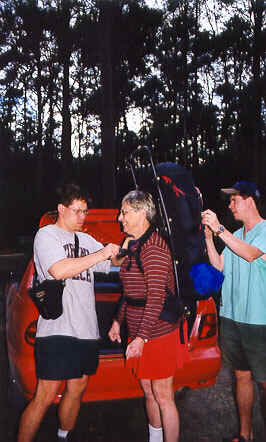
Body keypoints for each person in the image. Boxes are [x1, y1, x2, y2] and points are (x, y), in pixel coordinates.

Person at [17, 183, 120, 442]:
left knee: (78, 388)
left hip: (87, 330)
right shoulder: (46, 235)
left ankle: (64, 437)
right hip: (57, 329)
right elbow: (59, 270)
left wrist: (126, 248)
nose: (83, 217)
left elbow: (113, 263)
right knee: (46, 395)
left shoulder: (86, 240)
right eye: (77, 211)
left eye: (85, 211)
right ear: (62, 209)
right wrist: (101, 254)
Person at [109, 190, 183, 442]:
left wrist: (141, 338)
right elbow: (131, 292)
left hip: (159, 333)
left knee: (163, 395)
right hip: (139, 329)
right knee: (148, 391)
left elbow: (155, 298)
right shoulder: (134, 244)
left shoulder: (154, 248)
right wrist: (119, 321)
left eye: (125, 212)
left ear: (142, 213)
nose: (120, 218)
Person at [201, 181, 266, 442]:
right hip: (233, 319)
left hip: (260, 322)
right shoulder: (235, 235)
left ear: (250, 201)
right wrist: (209, 239)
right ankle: (244, 434)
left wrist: (218, 228)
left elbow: (250, 255)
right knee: (241, 376)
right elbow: (219, 267)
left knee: (264, 382)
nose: (230, 205)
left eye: (234, 200)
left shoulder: (264, 231)